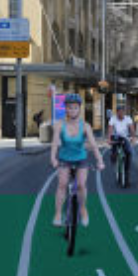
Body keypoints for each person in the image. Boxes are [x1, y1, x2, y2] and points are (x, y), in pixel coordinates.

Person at [50, 94, 105, 227]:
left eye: (75, 108)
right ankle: (58, 213)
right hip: (64, 159)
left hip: (81, 159)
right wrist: (53, 158)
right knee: (62, 184)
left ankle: (82, 209)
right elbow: (55, 142)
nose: (72, 110)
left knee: (81, 185)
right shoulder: (59, 125)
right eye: (69, 108)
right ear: (66, 109)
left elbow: (93, 144)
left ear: (79, 109)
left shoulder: (85, 126)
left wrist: (100, 160)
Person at [107, 105, 136, 183]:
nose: (121, 113)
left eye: (123, 112)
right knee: (114, 150)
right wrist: (109, 139)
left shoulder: (128, 118)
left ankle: (126, 172)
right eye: (119, 112)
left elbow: (132, 129)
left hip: (125, 138)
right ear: (117, 112)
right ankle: (114, 157)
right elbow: (110, 129)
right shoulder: (113, 118)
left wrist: (133, 137)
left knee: (129, 152)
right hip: (115, 137)